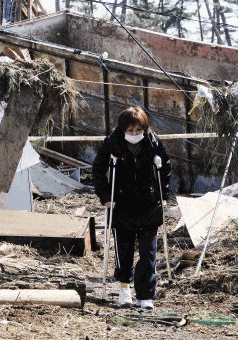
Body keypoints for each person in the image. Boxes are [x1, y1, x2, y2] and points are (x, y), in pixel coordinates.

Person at [92, 106, 171, 310]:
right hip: (122, 205)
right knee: (124, 251)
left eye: (138, 131)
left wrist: (164, 195)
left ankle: (145, 295)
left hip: (148, 205)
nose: (134, 135)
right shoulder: (112, 145)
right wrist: (104, 197)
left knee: (148, 253)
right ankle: (124, 288)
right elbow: (98, 169)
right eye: (130, 131)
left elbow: (166, 168)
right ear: (122, 129)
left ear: (145, 128)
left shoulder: (153, 143)